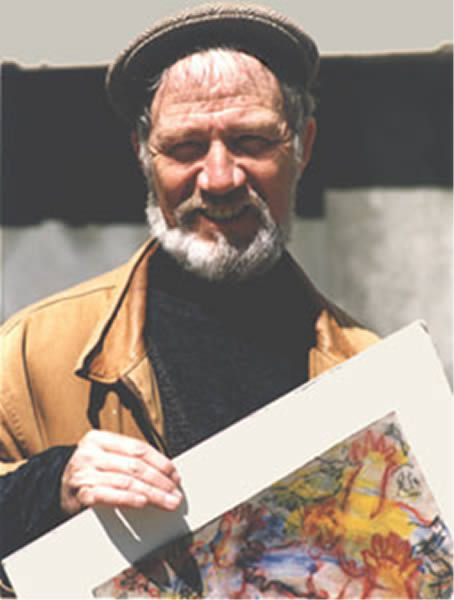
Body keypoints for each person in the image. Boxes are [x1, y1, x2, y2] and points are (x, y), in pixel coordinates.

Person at [0, 1, 378, 575]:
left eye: (252, 141)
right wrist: (46, 488)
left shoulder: (370, 374)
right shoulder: (31, 354)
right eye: (185, 147)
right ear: (142, 154)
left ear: (303, 145)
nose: (220, 178)